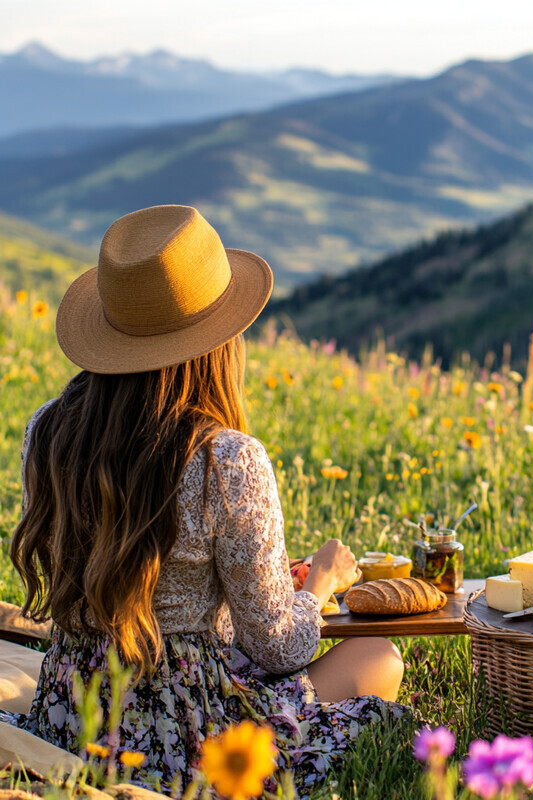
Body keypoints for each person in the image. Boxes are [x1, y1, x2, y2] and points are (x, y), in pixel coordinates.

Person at [0, 205, 407, 797]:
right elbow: (276, 646)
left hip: (71, 714)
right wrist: (318, 586)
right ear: (216, 343)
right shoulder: (226, 460)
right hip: (192, 728)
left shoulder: (47, 434)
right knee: (378, 658)